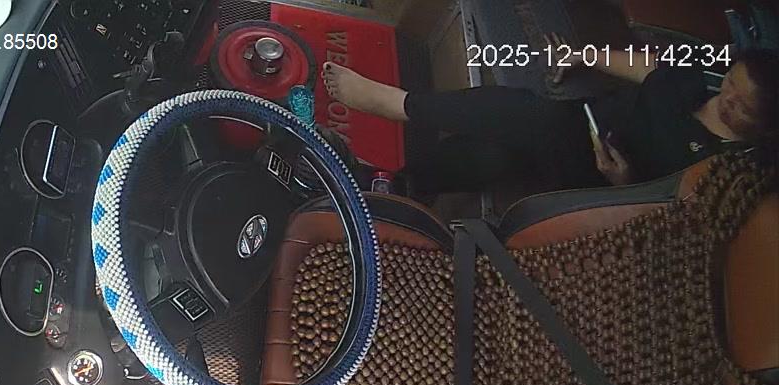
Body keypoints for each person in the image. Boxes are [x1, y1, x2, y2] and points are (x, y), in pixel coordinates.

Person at [322, 42, 778, 194]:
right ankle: (401, 188)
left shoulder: (729, 170)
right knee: (491, 155)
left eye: (741, 106)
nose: (726, 100)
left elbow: (673, 218)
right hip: (580, 124)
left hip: (596, 181)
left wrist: (625, 181)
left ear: (765, 126)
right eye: (729, 84)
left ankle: (400, 105)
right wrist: (582, 54)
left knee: (532, 114)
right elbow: (646, 69)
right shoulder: (694, 84)